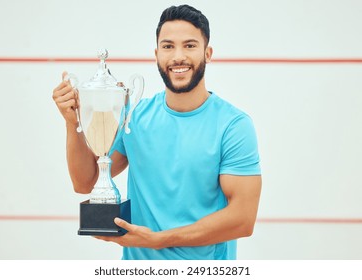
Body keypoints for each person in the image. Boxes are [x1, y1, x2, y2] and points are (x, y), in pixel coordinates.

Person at [52, 4, 262, 260]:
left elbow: (243, 219)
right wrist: (72, 122)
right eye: (168, 46)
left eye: (190, 45)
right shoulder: (136, 116)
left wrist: (158, 241)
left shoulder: (233, 125)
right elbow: (85, 182)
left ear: (208, 53)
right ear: (156, 54)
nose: (178, 56)